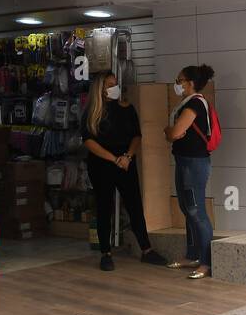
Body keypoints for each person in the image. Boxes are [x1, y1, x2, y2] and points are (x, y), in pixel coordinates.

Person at [83, 70, 170, 271]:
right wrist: (114, 159)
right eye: (110, 84)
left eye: (115, 83)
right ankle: (105, 253)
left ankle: (146, 249)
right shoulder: (92, 112)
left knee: (134, 206)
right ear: (101, 89)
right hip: (102, 164)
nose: (115, 87)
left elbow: (136, 136)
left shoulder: (127, 108)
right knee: (104, 207)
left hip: (126, 163)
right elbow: (89, 141)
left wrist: (128, 157)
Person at [164, 65, 216, 279]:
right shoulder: (186, 103)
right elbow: (177, 134)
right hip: (184, 161)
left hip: (194, 164)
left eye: (180, 80)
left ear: (190, 82)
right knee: (187, 209)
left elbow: (174, 133)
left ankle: (206, 262)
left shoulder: (195, 103)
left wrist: (169, 132)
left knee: (197, 211)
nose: (177, 84)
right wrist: (173, 133)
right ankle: (192, 255)